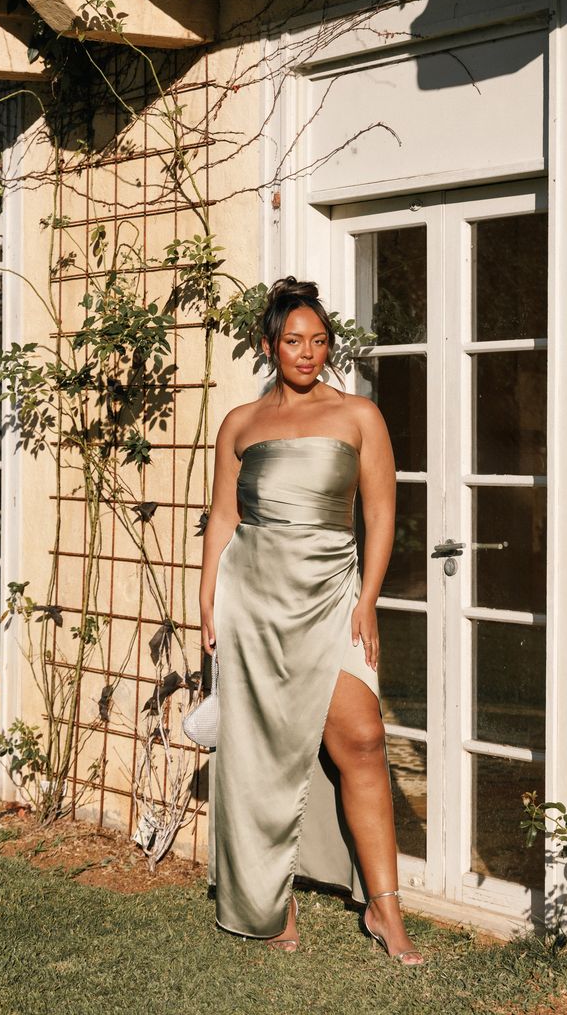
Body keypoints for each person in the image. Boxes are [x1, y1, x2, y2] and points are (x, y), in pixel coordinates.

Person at [198, 277, 423, 965]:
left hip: (330, 598)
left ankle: (384, 909)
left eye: (319, 340)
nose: (307, 351)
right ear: (269, 345)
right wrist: (207, 597)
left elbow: (381, 513)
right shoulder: (239, 422)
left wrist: (367, 598)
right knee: (259, 753)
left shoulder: (359, 415)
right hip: (253, 603)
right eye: (293, 340)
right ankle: (272, 899)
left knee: (360, 736)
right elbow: (223, 517)